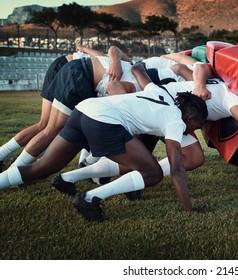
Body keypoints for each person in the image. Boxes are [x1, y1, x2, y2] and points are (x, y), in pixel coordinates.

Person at [50, 62, 238, 197]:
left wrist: (197, 84)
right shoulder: (232, 97)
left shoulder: (224, 82)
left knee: (178, 158)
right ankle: (96, 191)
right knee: (164, 161)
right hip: (170, 113)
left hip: (165, 106)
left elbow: (194, 67)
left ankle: (69, 177)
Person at [0, 77, 208, 222]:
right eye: (196, 127)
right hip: (103, 121)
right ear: (190, 118)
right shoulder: (176, 121)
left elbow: (145, 81)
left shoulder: (159, 93)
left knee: (42, 167)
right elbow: (177, 168)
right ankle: (89, 199)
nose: (192, 132)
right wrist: (190, 209)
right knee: (153, 173)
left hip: (84, 109)